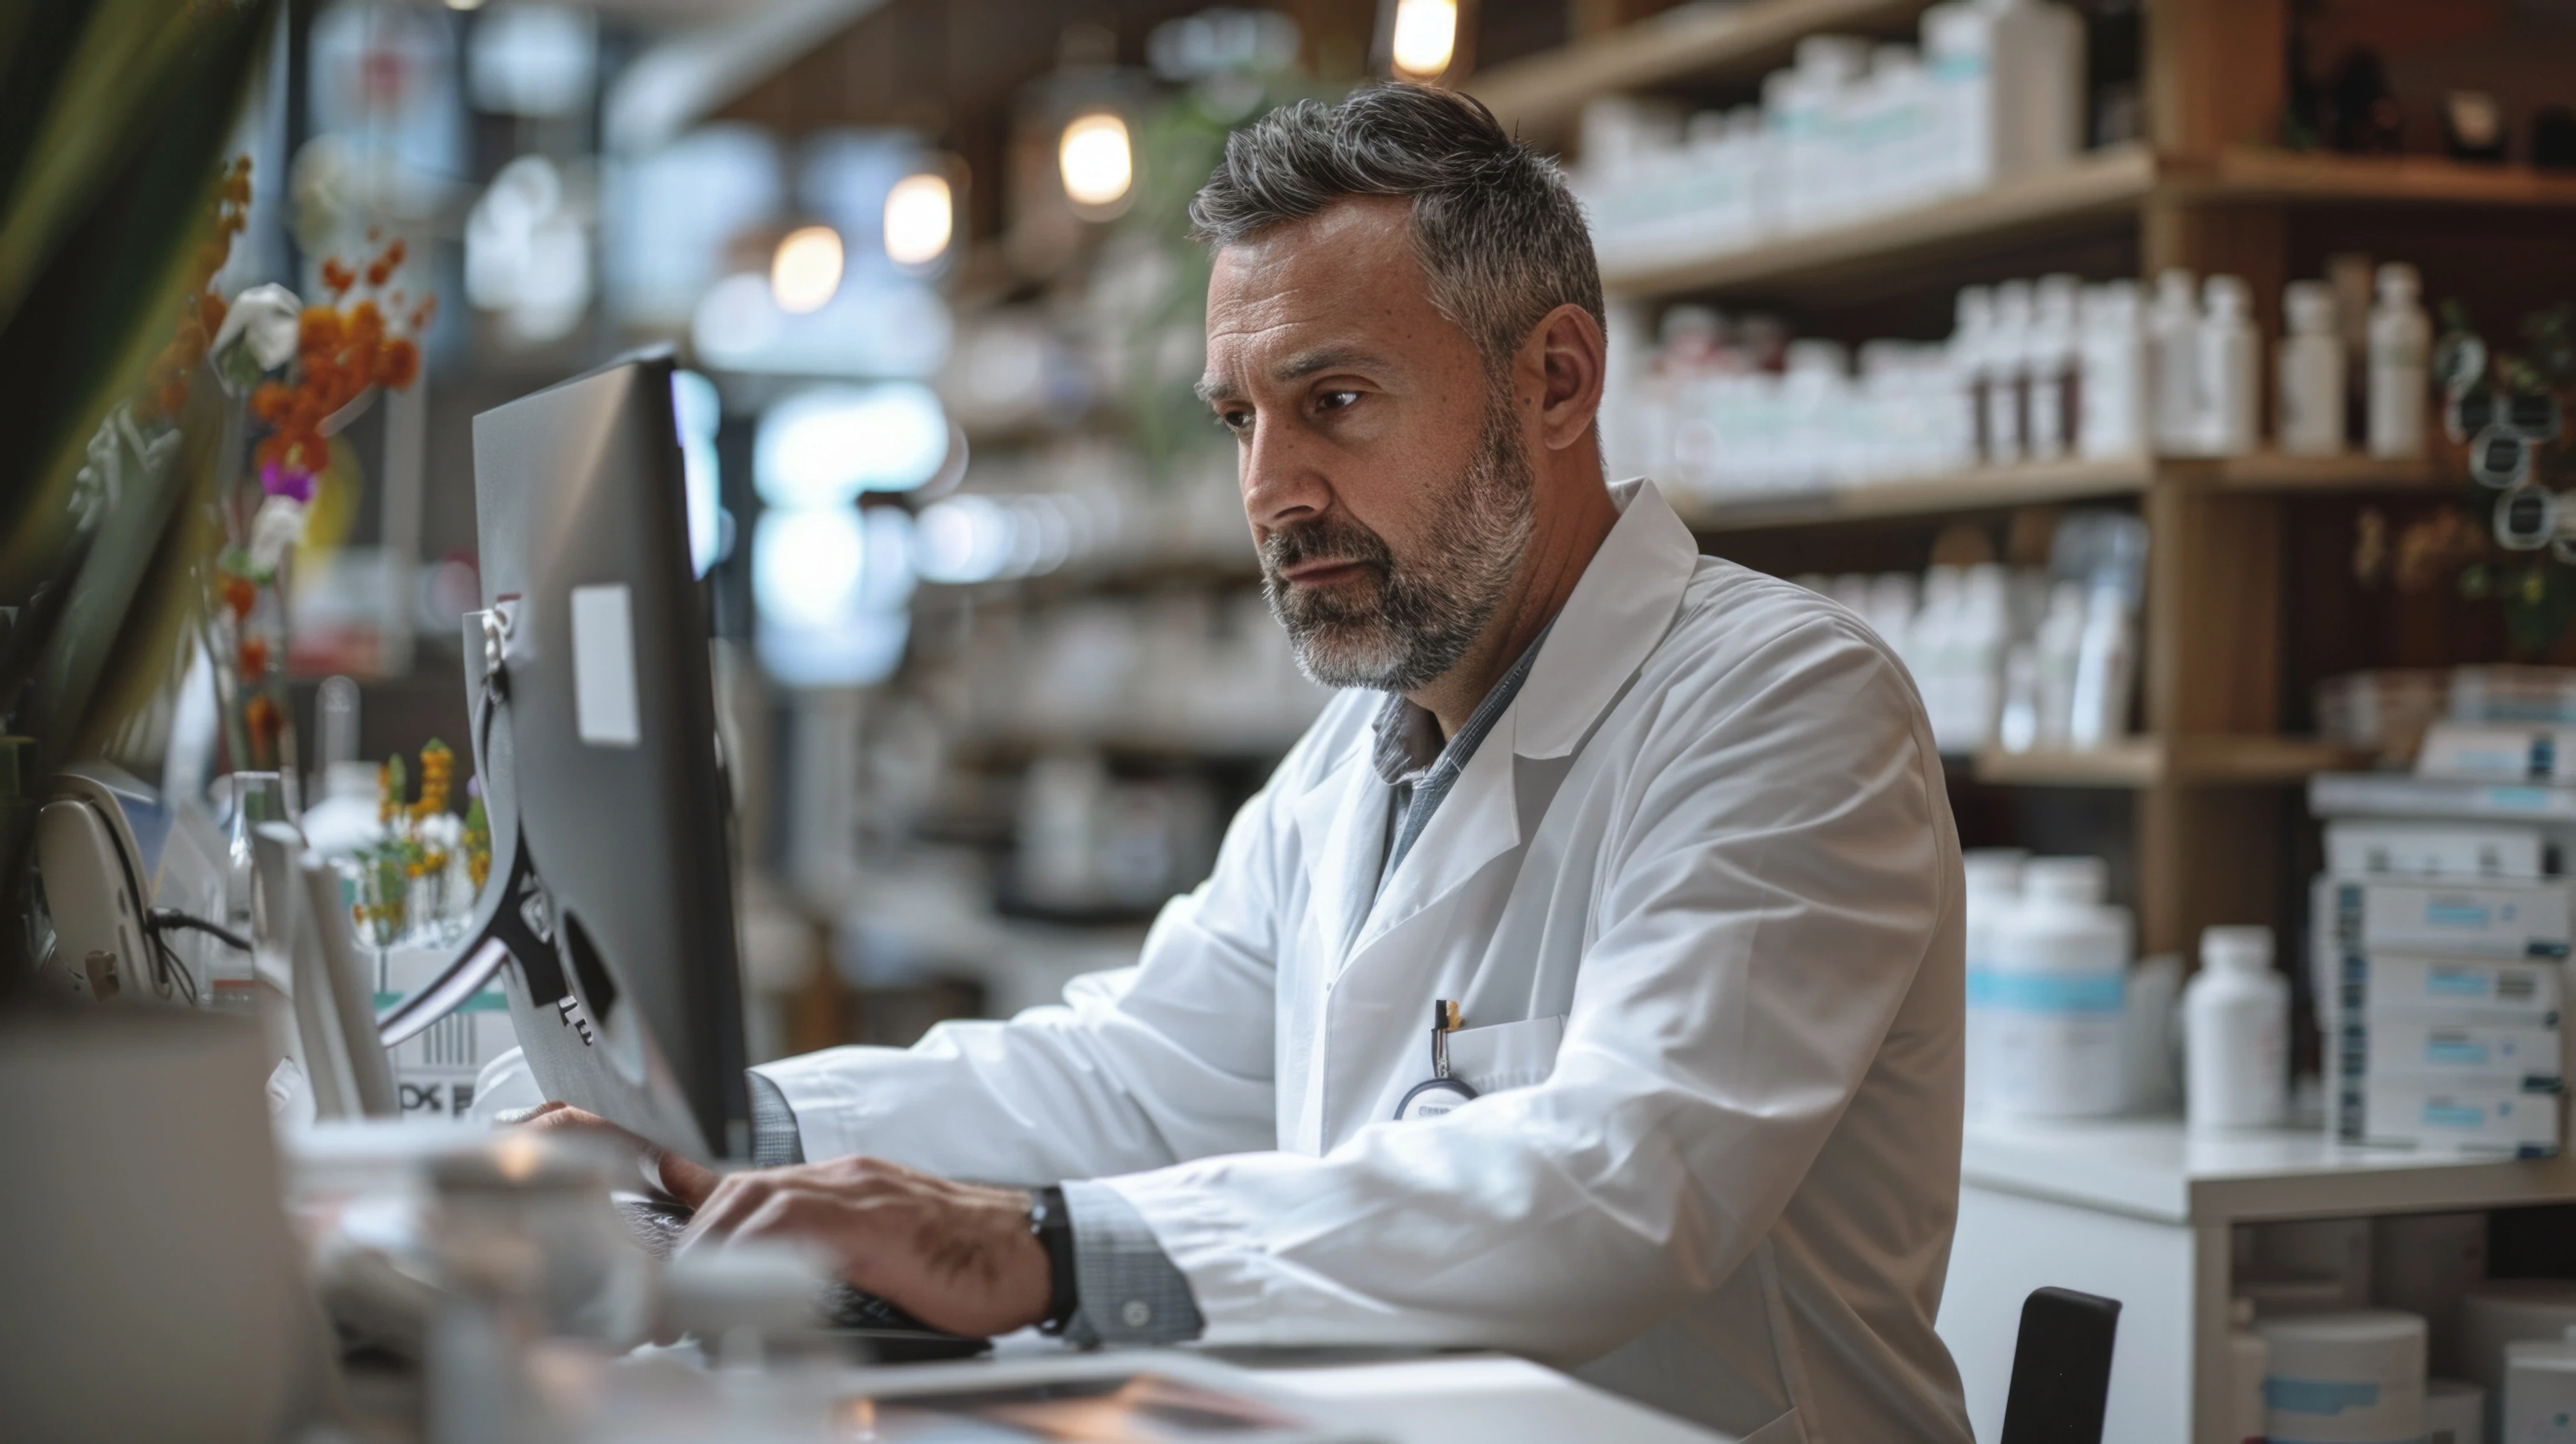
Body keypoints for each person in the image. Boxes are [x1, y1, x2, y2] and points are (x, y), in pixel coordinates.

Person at [535, 82, 1973, 1442]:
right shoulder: (1367, 744)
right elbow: (1135, 1072)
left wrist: (1040, 1250)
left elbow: (1622, 1185)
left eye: (1334, 399)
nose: (1272, 491)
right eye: (1241, 419)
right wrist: (716, 1127)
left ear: (1554, 380)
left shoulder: (1784, 701)